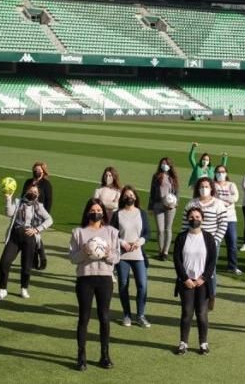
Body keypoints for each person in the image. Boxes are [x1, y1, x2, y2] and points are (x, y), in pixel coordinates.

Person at [69, 199, 120, 370]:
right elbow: (73, 259)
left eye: (98, 210)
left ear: (103, 213)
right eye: (92, 210)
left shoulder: (112, 232)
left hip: (105, 279)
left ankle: (104, 355)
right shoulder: (78, 233)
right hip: (85, 278)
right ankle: (81, 356)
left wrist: (107, 255)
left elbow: (117, 258)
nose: (96, 212)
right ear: (87, 212)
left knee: (104, 317)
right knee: (84, 317)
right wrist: (84, 252)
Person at [0, 185, 53, 300]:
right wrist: (8, 198)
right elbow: (9, 213)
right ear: (26, 191)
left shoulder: (38, 206)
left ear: (38, 195)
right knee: (4, 262)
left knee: (26, 266)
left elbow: (50, 220)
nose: (33, 192)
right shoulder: (17, 202)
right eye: (31, 190)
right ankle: (2, 289)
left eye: (36, 192)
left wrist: (37, 229)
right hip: (14, 237)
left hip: (29, 238)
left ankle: (24, 288)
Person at [173, 207, 217, 355]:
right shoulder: (181, 237)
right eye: (191, 217)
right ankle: (183, 343)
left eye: (197, 217)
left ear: (202, 219)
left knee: (202, 313)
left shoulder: (208, 238)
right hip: (186, 282)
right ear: (187, 219)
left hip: (202, 282)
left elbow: (212, 260)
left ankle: (203, 343)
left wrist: (203, 278)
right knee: (186, 312)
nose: (195, 219)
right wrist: (185, 278)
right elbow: (177, 259)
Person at [110, 186, 151, 328]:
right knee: (123, 285)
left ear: (136, 197)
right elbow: (112, 233)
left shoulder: (142, 213)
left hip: (138, 255)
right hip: (123, 256)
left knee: (142, 285)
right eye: (126, 195)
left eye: (131, 195)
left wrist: (139, 242)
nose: (129, 197)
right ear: (122, 198)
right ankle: (126, 315)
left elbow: (147, 233)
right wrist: (122, 242)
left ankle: (140, 315)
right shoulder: (117, 214)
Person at [182, 177, 228, 301]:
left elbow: (223, 223)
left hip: (211, 242)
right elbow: (185, 224)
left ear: (211, 188)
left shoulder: (218, 204)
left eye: (206, 186)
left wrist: (216, 240)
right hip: (193, 242)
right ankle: (193, 295)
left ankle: (210, 295)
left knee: (210, 270)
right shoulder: (191, 204)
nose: (204, 189)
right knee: (193, 269)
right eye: (201, 187)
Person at [22, 162, 53, 270]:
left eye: (39, 170)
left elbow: (49, 200)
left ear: (43, 171)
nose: (37, 171)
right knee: (33, 236)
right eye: (35, 169)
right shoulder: (28, 182)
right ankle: (38, 257)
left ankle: (37, 257)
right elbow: (23, 196)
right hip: (27, 212)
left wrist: (46, 215)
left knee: (34, 235)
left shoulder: (46, 184)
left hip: (40, 213)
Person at [213, 164, 242, 275]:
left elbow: (235, 198)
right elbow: (213, 198)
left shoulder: (231, 184)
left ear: (226, 173)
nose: (221, 174)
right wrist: (225, 200)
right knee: (215, 243)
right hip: (217, 217)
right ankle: (212, 266)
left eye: (223, 171)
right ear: (215, 173)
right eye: (218, 172)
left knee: (232, 244)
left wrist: (221, 199)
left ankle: (232, 266)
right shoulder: (213, 184)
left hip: (230, 218)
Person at [150, 157, 179, 261]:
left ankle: (165, 252)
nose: (164, 165)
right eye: (162, 163)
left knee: (168, 229)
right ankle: (160, 251)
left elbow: (177, 191)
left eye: (166, 163)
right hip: (158, 205)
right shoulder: (156, 176)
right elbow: (152, 192)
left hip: (170, 206)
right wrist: (151, 207)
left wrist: (175, 203)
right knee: (160, 230)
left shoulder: (173, 177)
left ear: (170, 165)